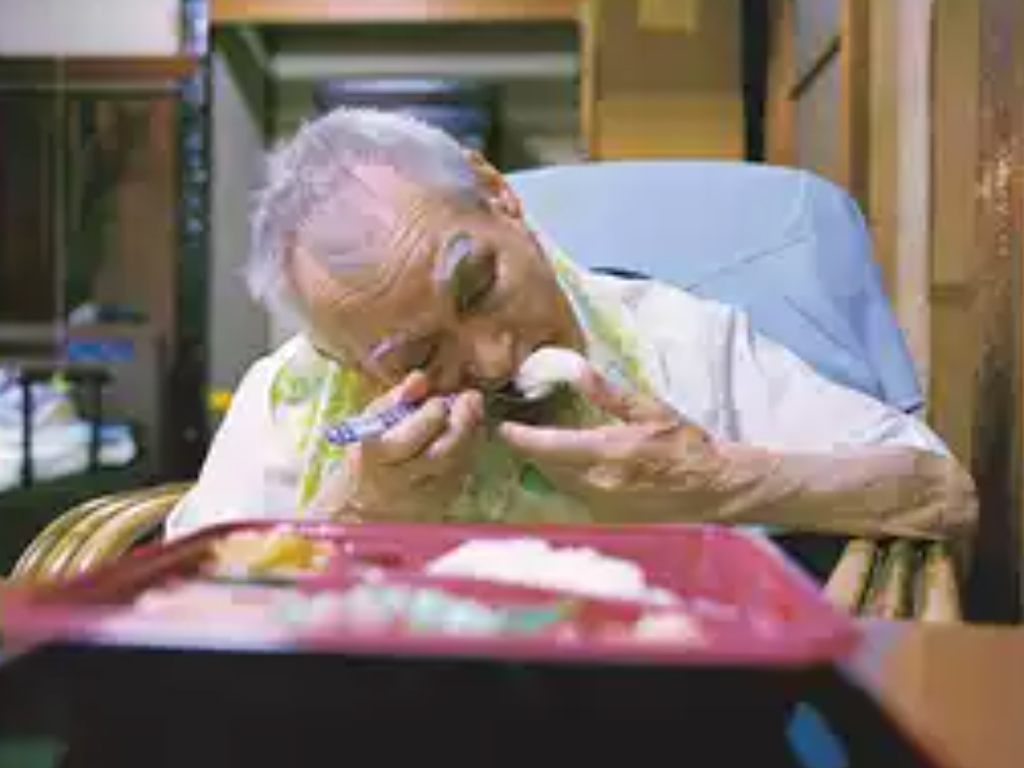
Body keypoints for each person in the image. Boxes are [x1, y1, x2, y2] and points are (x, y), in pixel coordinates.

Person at [166, 108, 976, 542]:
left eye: (480, 286)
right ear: (341, 357)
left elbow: (942, 491)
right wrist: (353, 519)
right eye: (417, 354)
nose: (492, 359)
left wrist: (717, 481)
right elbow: (186, 630)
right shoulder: (295, 400)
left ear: (499, 196)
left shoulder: (681, 342)